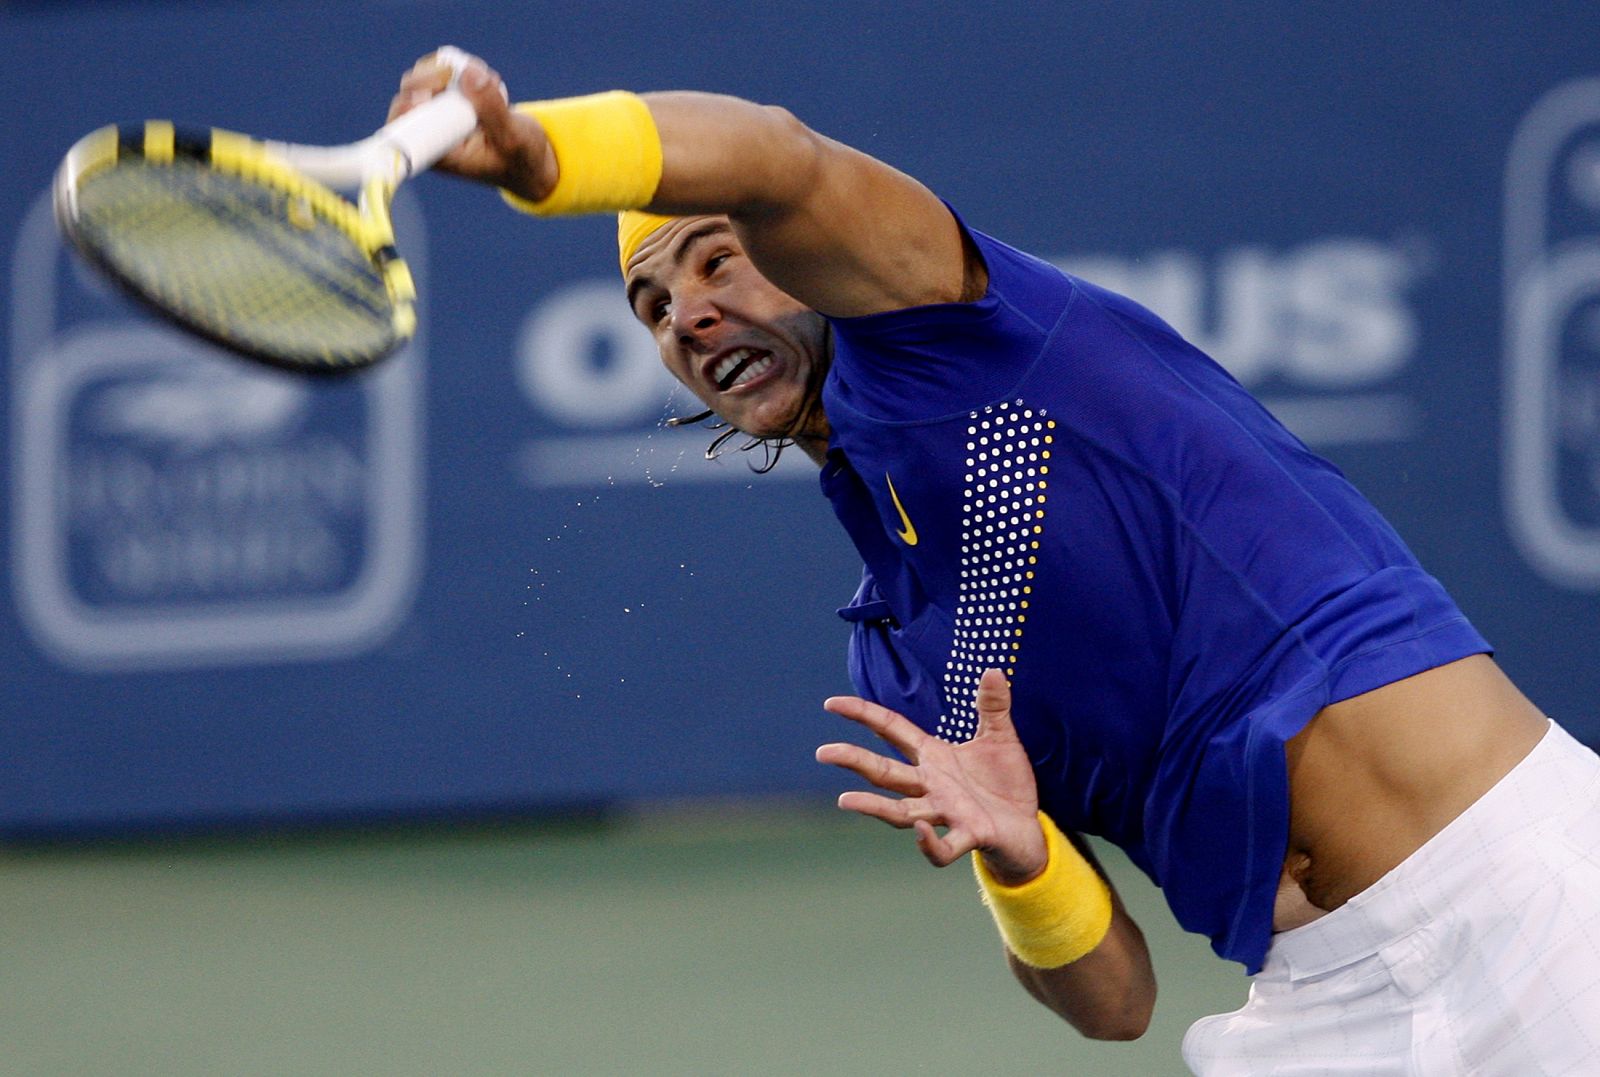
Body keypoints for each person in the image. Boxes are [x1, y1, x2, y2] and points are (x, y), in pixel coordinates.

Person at [390, 52, 1600, 1073]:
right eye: (651, 309)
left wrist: (539, 157)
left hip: (1526, 898)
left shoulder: (961, 337)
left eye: (715, 261)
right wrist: (1022, 865)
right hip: (1321, 1006)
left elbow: (775, 156)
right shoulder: (904, 652)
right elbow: (1115, 1002)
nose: (688, 318)